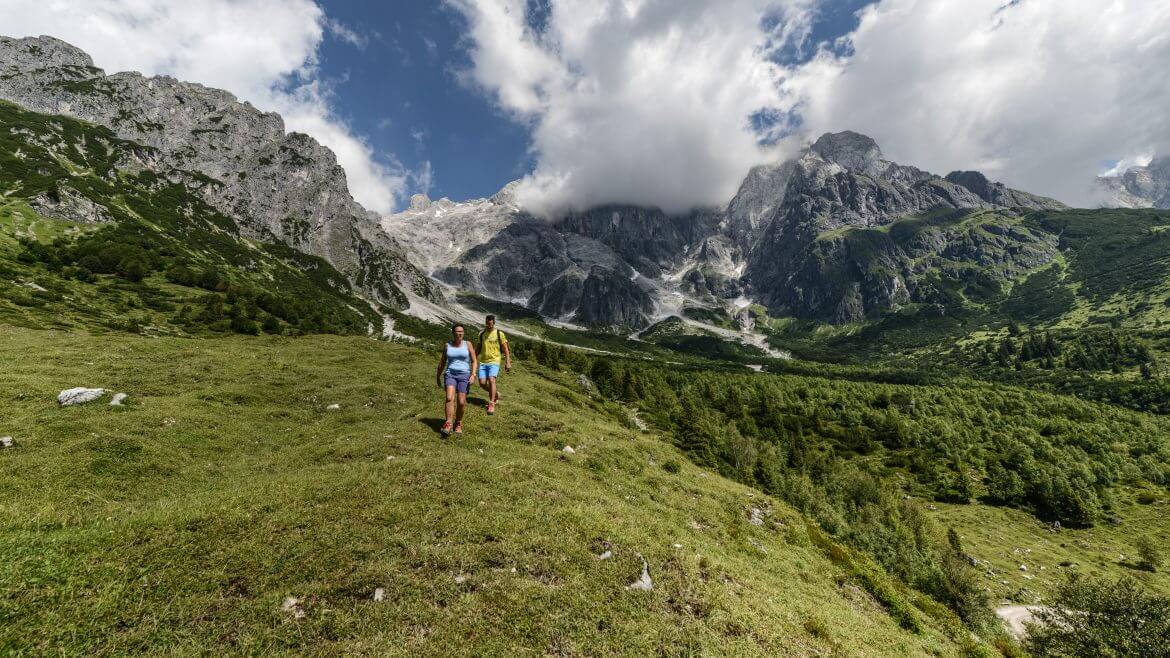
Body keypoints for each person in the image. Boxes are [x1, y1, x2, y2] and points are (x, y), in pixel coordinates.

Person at [436, 323, 477, 436]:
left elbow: (474, 361)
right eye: (457, 332)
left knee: (461, 402)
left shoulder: (467, 344)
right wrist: (438, 376)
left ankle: (458, 422)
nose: (459, 334)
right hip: (450, 374)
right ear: (453, 333)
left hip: (464, 375)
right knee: (449, 398)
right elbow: (442, 362)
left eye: (461, 332)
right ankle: (448, 423)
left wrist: (473, 374)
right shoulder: (447, 345)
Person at [476, 314, 511, 414]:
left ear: (494, 323)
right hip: (483, 361)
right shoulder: (481, 334)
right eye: (487, 324)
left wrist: (507, 362)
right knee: (482, 383)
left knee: (492, 380)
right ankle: (496, 394)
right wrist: (473, 358)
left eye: (490, 324)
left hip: (495, 361)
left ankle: (491, 403)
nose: (488, 326)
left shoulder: (500, 334)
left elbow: (505, 349)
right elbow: (478, 348)